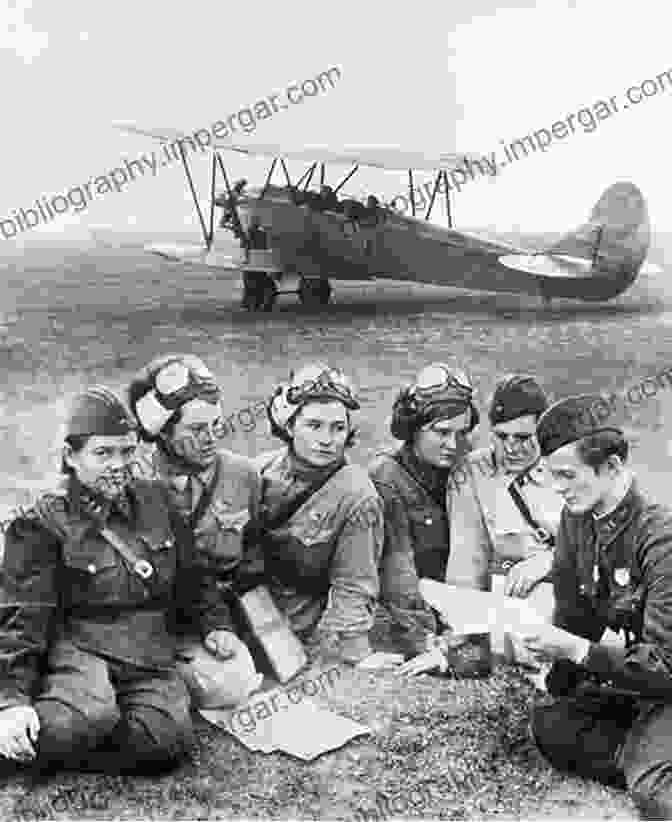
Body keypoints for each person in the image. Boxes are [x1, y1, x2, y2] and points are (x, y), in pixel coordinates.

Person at [0, 388, 209, 775]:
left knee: (167, 738)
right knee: (85, 718)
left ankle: (49, 748)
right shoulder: (41, 522)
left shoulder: (158, 501)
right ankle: (23, 735)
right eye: (103, 453)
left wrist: (218, 627)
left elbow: (195, 579)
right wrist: (11, 700)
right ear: (70, 456)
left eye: (127, 452)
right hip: (77, 644)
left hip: (144, 648)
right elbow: (22, 616)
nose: (119, 465)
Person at [513, 395, 672, 820]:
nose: (558, 488)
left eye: (567, 475)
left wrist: (576, 651)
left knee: (654, 794)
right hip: (647, 676)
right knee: (550, 723)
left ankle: (648, 759)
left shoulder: (660, 532)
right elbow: (573, 612)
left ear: (613, 468)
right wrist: (552, 661)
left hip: (667, 674)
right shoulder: (577, 515)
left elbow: (666, 666)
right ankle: (643, 748)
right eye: (551, 476)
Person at [127, 354, 263, 709]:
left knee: (234, 685)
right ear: (162, 432)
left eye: (216, 426)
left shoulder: (244, 476)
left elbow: (255, 556)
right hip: (149, 619)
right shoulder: (131, 485)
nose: (210, 439)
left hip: (215, 613)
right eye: (196, 429)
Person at [250, 363, 384, 664]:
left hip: (283, 625)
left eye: (338, 428)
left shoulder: (357, 495)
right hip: (232, 606)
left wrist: (357, 650)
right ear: (289, 426)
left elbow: (355, 578)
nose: (327, 439)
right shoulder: (259, 470)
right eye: (314, 425)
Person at [369, 363, 491, 677]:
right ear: (412, 429)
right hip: (419, 600)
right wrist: (424, 641)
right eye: (441, 432)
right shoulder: (388, 477)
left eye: (462, 433)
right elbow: (398, 568)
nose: (454, 443)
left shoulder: (469, 465)